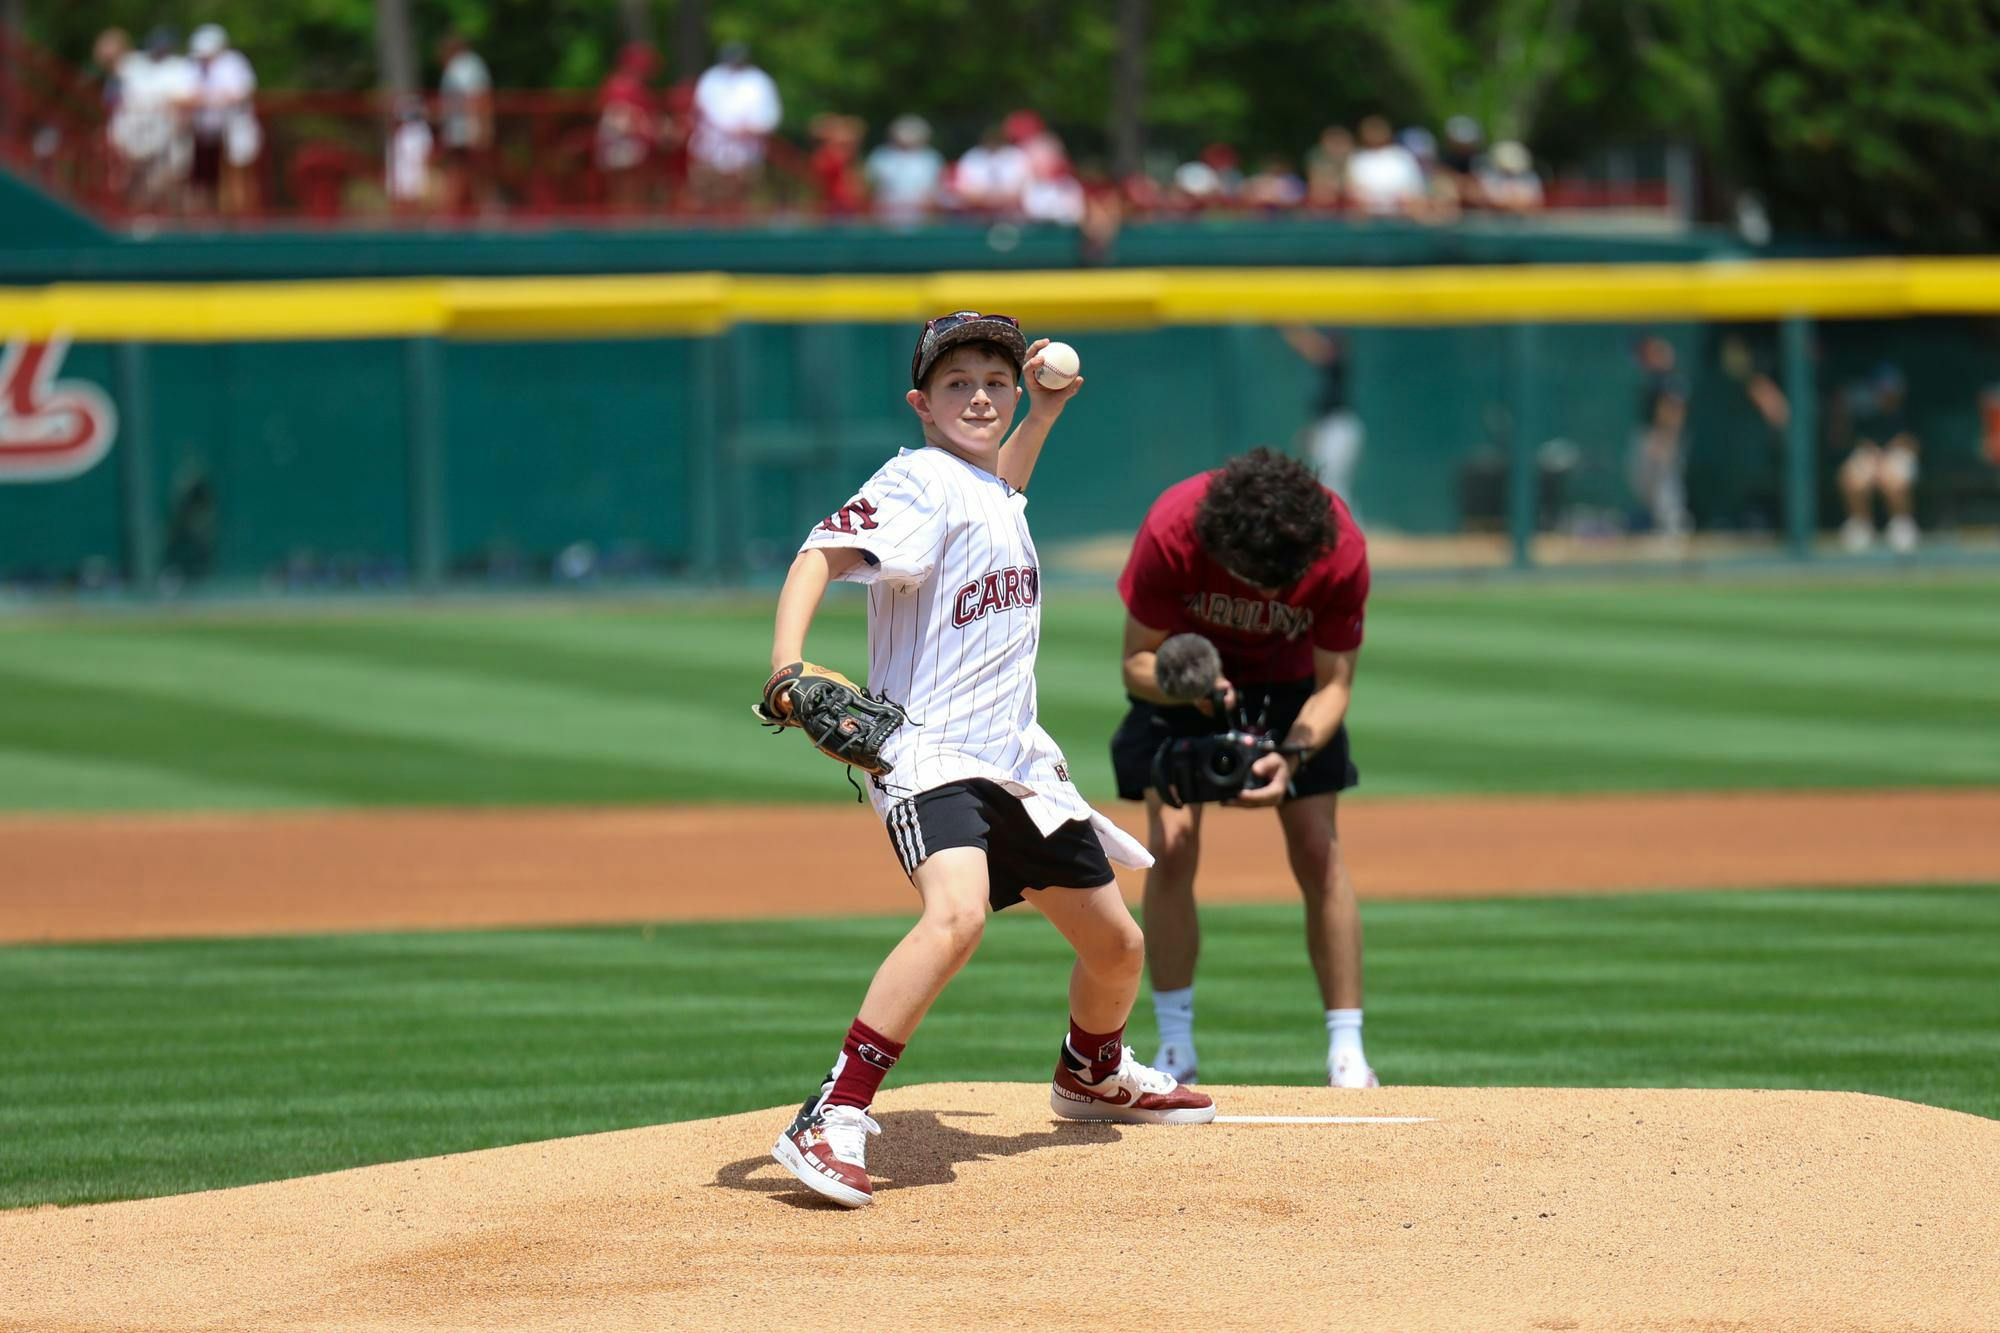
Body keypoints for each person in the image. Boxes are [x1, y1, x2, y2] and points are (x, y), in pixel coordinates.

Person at [767, 312, 1215, 1209]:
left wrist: (1041, 416)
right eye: (958, 382)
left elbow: (995, 490)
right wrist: (786, 667)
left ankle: (1090, 1072)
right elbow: (819, 554)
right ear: (921, 403)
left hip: (1017, 763)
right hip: (930, 753)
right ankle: (832, 1110)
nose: (980, 394)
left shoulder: (979, 484)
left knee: (1117, 945)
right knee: (957, 915)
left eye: (995, 381)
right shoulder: (916, 479)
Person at [1111, 447, 1376, 1089]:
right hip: (1187, 679)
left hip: (1292, 692)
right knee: (1170, 847)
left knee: (1317, 848)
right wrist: (1193, 689)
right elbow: (1136, 665)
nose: (1264, 594)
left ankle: (1347, 1052)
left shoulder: (1340, 548)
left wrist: (1293, 756)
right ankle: (1175, 1047)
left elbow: (1335, 685)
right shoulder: (1173, 528)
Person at [689, 42, 781, 210]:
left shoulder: (759, 81)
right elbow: (700, 110)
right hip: (712, 150)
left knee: (744, 200)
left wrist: (751, 129)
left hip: (748, 152)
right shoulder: (711, 78)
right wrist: (728, 129)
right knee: (707, 200)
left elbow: (769, 116)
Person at [1839, 365, 1920, 553]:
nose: (1887, 395)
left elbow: (1915, 443)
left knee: (1893, 475)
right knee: (1853, 476)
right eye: (1883, 390)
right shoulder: (1867, 412)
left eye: (1891, 390)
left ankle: (1902, 524)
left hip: (1899, 455)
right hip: (1871, 456)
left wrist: (1890, 452)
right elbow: (1854, 439)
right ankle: (1861, 525)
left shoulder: (1912, 409)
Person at [1282, 327, 1364, 507]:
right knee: (1325, 480)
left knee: (1333, 482)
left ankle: (1345, 526)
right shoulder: (1326, 372)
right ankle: (1340, 526)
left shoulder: (1337, 364)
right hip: (1329, 426)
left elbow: (1311, 347)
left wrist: (1288, 324)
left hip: (1339, 427)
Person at [186, 25, 259, 217]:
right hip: (206, 132)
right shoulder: (195, 66)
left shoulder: (234, 64)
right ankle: (212, 218)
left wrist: (211, 99)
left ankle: (240, 217)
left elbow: (240, 93)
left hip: (234, 129)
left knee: (237, 173)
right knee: (205, 179)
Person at [1629, 335, 1691, 541]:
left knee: (1667, 483)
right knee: (1644, 482)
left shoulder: (1672, 379)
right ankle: (1664, 524)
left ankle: (1674, 526)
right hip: (1651, 434)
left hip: (1663, 435)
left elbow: (1675, 411)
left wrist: (1667, 438)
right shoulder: (1655, 378)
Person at [595, 43, 659, 213]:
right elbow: (616, 115)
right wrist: (644, 129)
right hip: (622, 141)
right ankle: (623, 225)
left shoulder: (634, 87)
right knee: (624, 187)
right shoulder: (618, 85)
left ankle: (628, 222)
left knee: (632, 188)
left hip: (631, 142)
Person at [436, 32, 493, 216]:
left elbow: (476, 97)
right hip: (459, 129)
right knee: (464, 171)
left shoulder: (465, 67)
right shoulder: (462, 66)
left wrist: (480, 127)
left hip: (466, 129)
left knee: (466, 172)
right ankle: (476, 211)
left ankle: (459, 212)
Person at [865, 114, 943, 225]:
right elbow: (871, 187)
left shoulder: (931, 158)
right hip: (886, 219)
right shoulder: (881, 156)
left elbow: (936, 190)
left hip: (921, 220)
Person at [1344, 115, 1424, 218]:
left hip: (1402, 215)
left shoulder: (1402, 156)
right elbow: (1351, 189)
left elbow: (1415, 190)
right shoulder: (1357, 159)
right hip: (1366, 216)